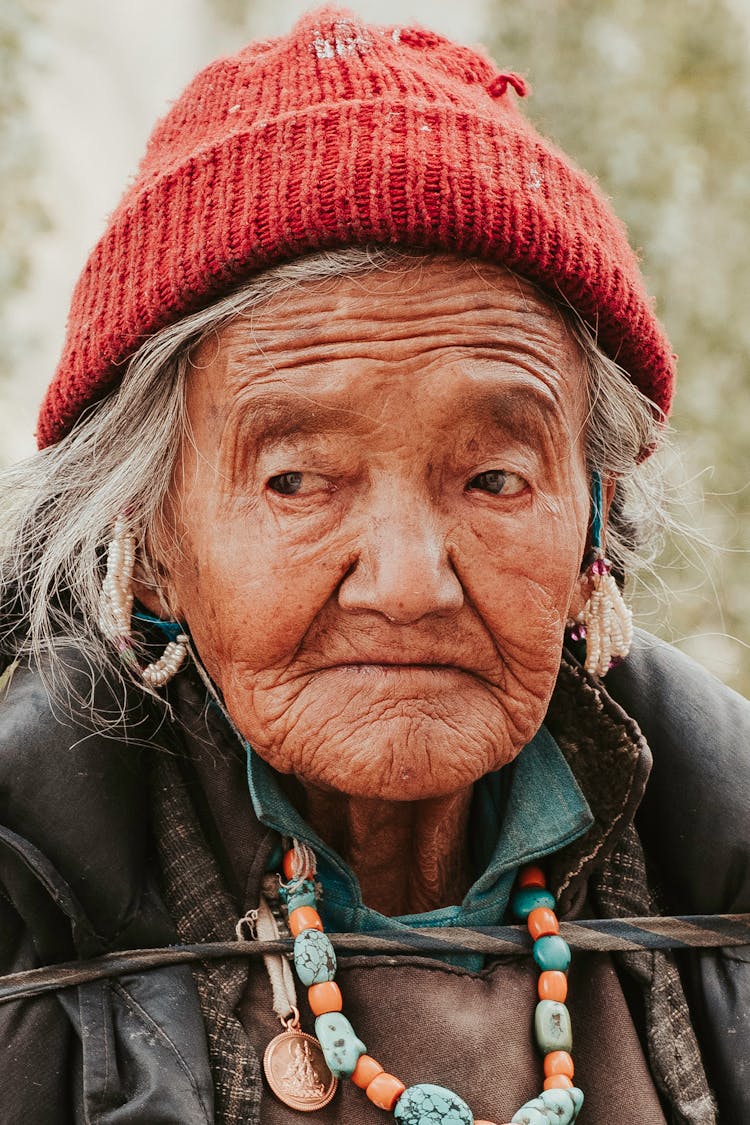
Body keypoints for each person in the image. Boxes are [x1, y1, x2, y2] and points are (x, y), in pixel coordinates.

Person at [0, 7, 748, 1124]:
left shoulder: (721, 865)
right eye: (297, 480)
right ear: (152, 547)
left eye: (494, 478)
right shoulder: (27, 912)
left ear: (594, 537)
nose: (407, 582)